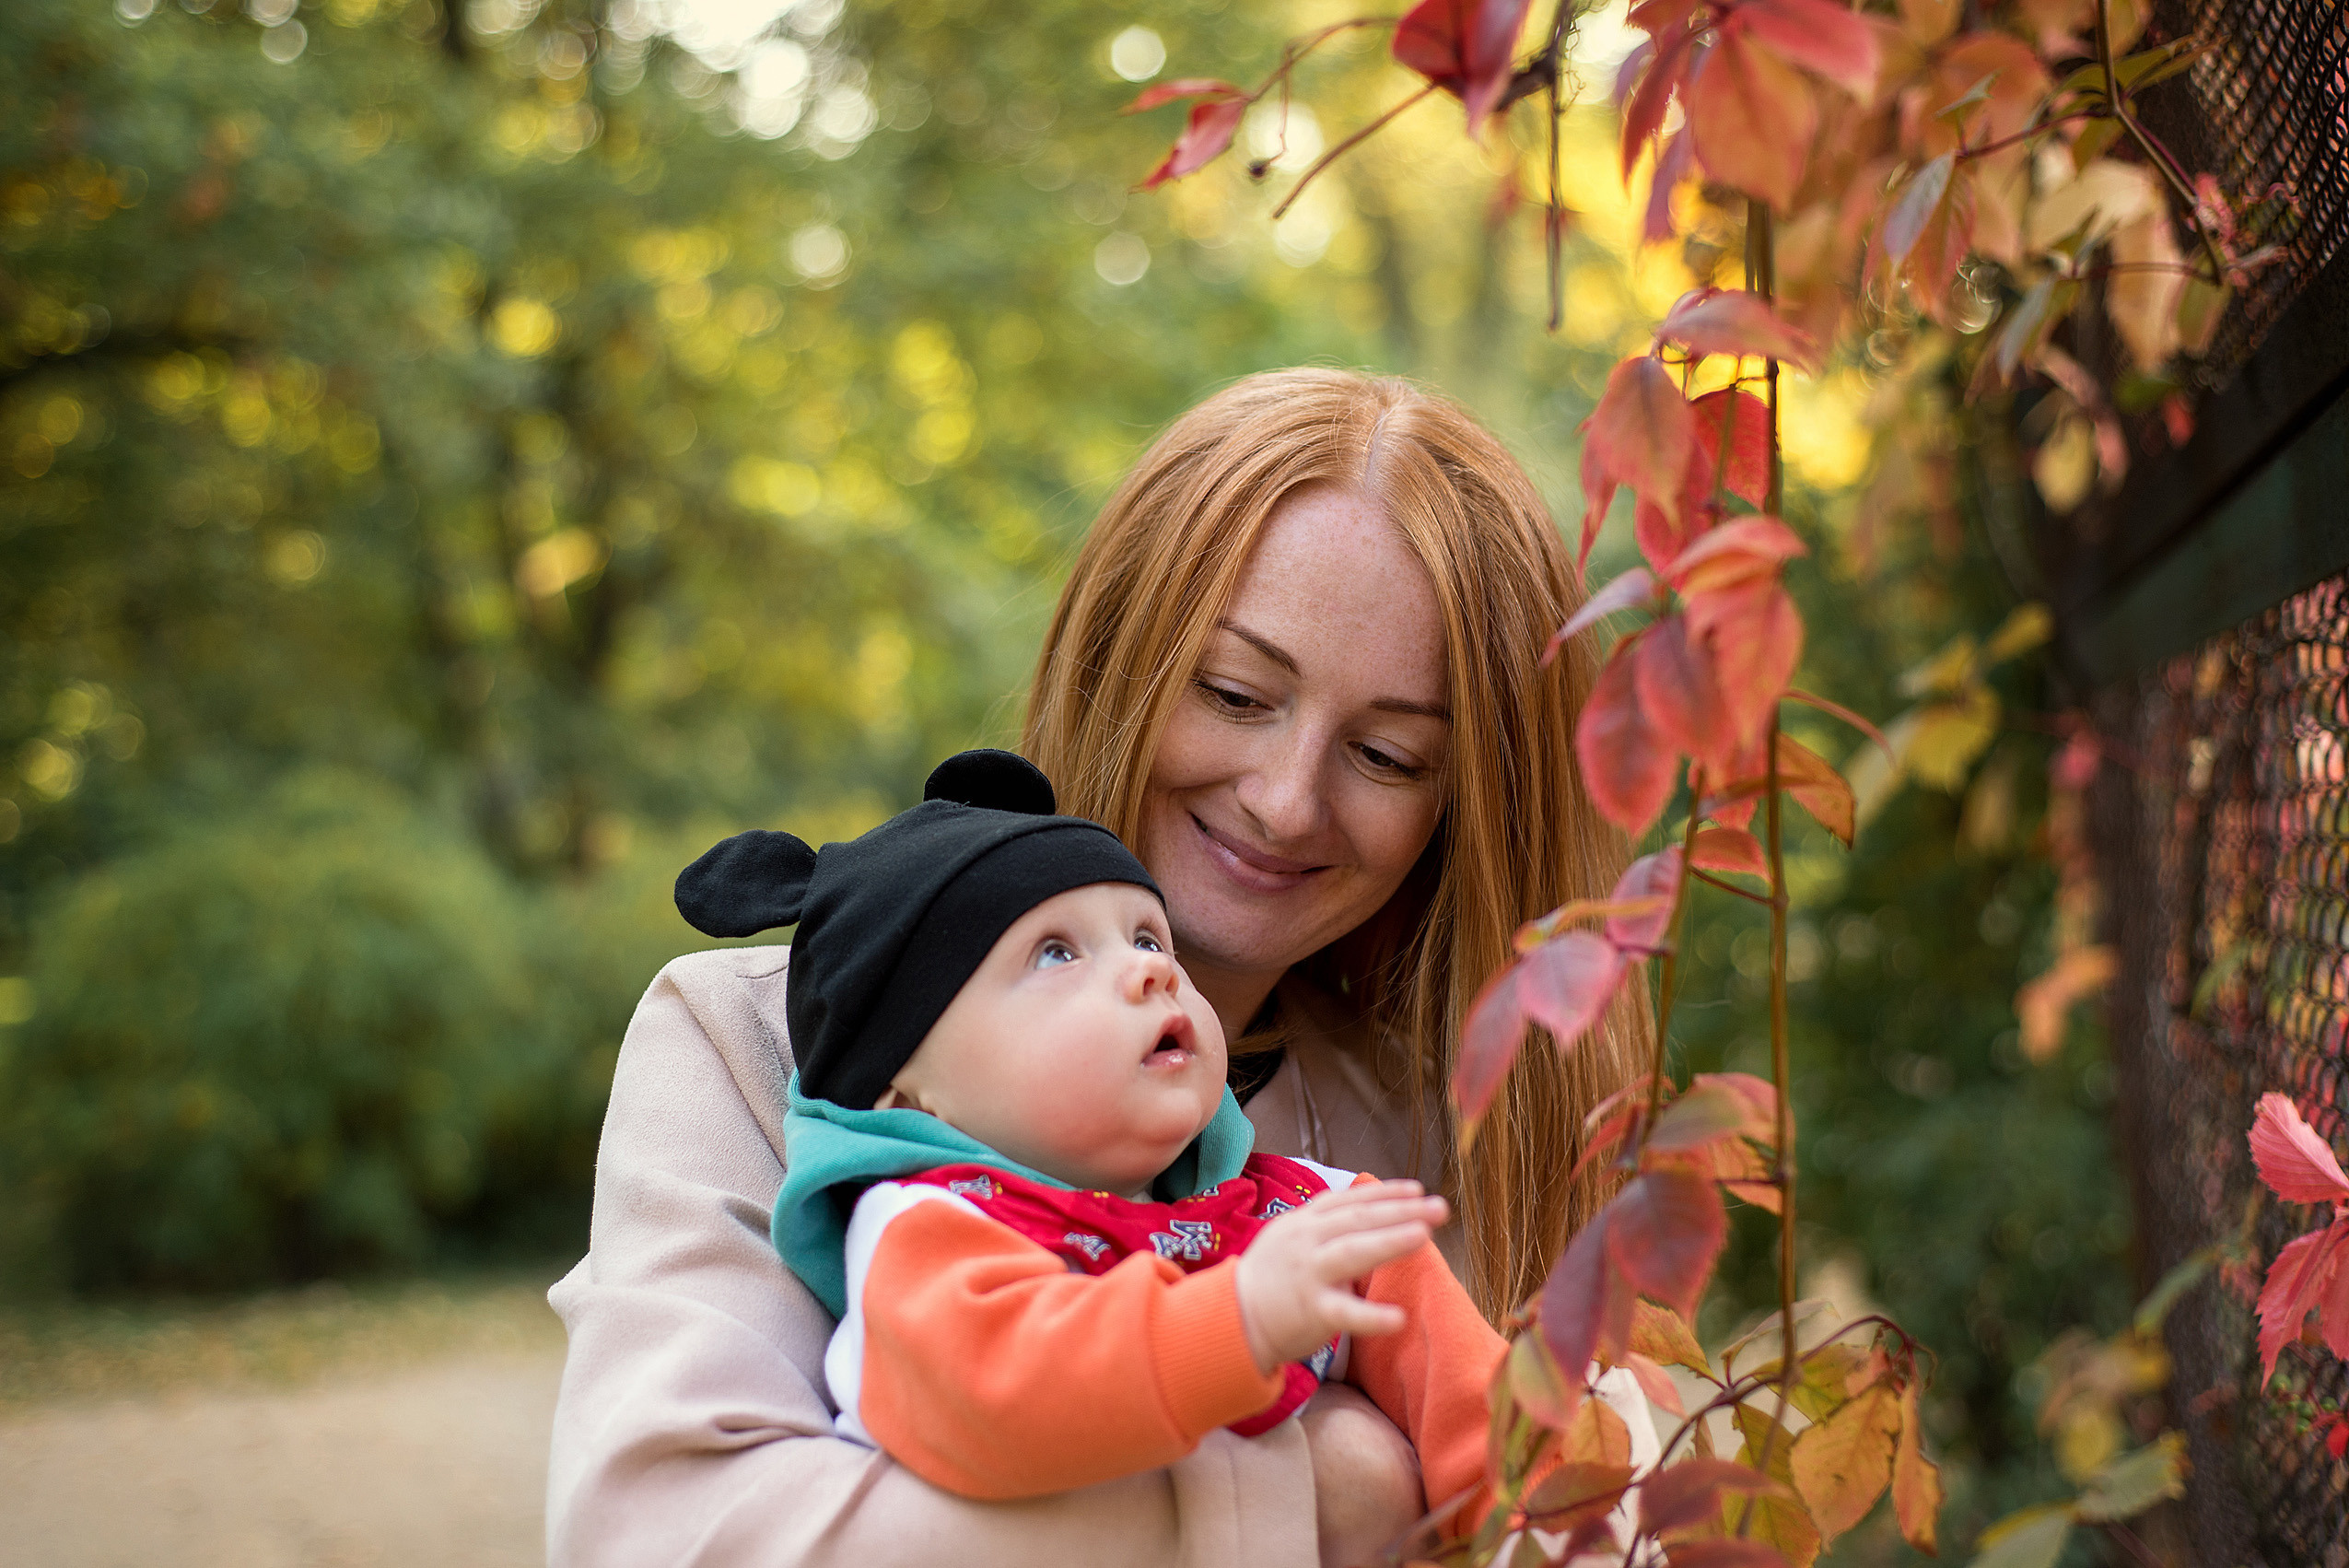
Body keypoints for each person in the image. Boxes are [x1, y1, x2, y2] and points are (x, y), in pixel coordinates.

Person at [546, 369, 1649, 1567]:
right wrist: (1318, 1494)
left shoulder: (1457, 1131)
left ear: (1458, 804)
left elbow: (1605, 1509)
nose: (1284, 801)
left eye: (1386, 754)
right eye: (1233, 692)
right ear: (1122, 653)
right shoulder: (758, 1050)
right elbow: (659, 1536)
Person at [669, 748, 1514, 1528]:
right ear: (909, 1092)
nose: (1149, 969)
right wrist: (1238, 1322)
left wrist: (1529, 1523)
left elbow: (1468, 1391)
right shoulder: (930, 1232)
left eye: (1147, 936)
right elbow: (1002, 1398)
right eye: (1054, 955)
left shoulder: (1283, 1211)